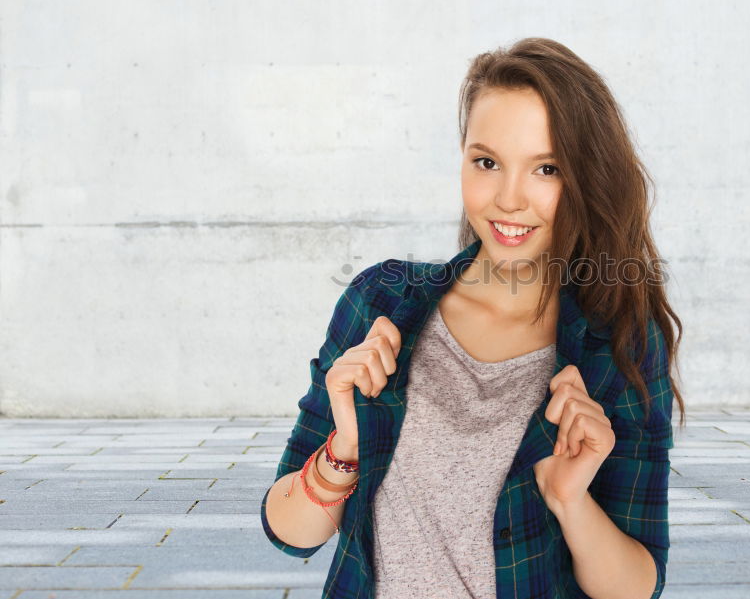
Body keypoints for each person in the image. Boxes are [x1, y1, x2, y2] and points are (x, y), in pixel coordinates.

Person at [260, 37, 686, 599]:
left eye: (546, 168)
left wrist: (570, 501)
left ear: (585, 176)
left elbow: (638, 587)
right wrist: (345, 448)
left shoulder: (621, 343)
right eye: (487, 162)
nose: (509, 199)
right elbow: (288, 533)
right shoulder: (380, 303)